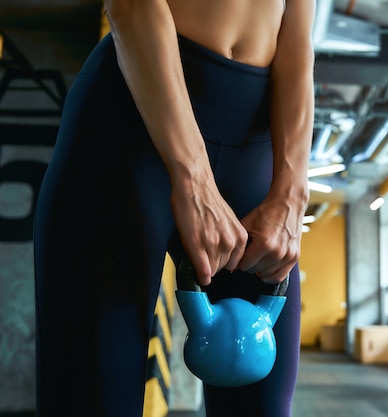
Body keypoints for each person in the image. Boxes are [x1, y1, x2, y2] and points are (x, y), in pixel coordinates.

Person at [33, 0, 315, 415]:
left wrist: (292, 193)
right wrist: (194, 177)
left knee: (262, 402)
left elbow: (298, 41)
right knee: (89, 397)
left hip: (257, 149)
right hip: (130, 127)